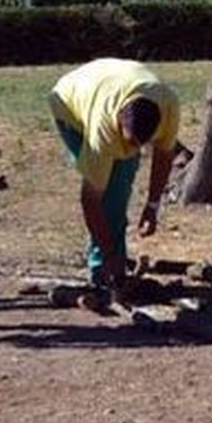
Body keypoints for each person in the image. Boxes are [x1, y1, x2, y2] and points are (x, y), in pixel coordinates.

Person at [47, 58, 181, 288]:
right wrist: (109, 252)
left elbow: (164, 154)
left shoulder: (168, 106)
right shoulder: (103, 132)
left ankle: (111, 259)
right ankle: (102, 270)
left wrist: (152, 206)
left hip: (110, 82)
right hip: (69, 102)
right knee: (112, 190)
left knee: (121, 179)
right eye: (130, 143)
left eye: (140, 145)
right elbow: (90, 200)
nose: (134, 151)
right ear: (118, 122)